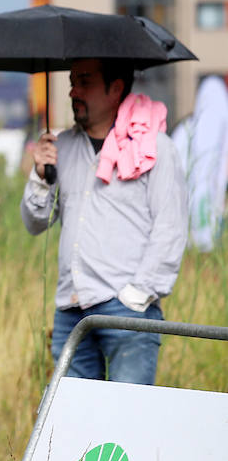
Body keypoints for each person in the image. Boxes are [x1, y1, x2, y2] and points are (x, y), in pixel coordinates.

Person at [22, 58, 188, 384]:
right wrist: (41, 176)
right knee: (72, 423)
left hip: (127, 311)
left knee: (127, 425)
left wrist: (136, 297)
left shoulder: (155, 148)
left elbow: (170, 227)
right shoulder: (61, 147)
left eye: (84, 82)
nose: (73, 91)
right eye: (72, 82)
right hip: (71, 309)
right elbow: (34, 223)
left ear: (115, 88)